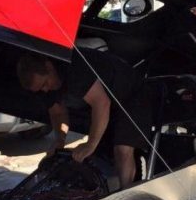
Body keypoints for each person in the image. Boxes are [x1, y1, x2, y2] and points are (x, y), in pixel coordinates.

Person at [17, 48, 152, 189]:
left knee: (122, 150)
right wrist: (60, 139)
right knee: (102, 155)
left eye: (45, 84)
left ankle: (129, 196)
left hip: (131, 95)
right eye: (39, 89)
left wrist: (90, 143)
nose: (45, 90)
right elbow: (58, 113)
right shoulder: (46, 86)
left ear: (49, 67)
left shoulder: (74, 67)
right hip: (108, 102)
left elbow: (101, 103)